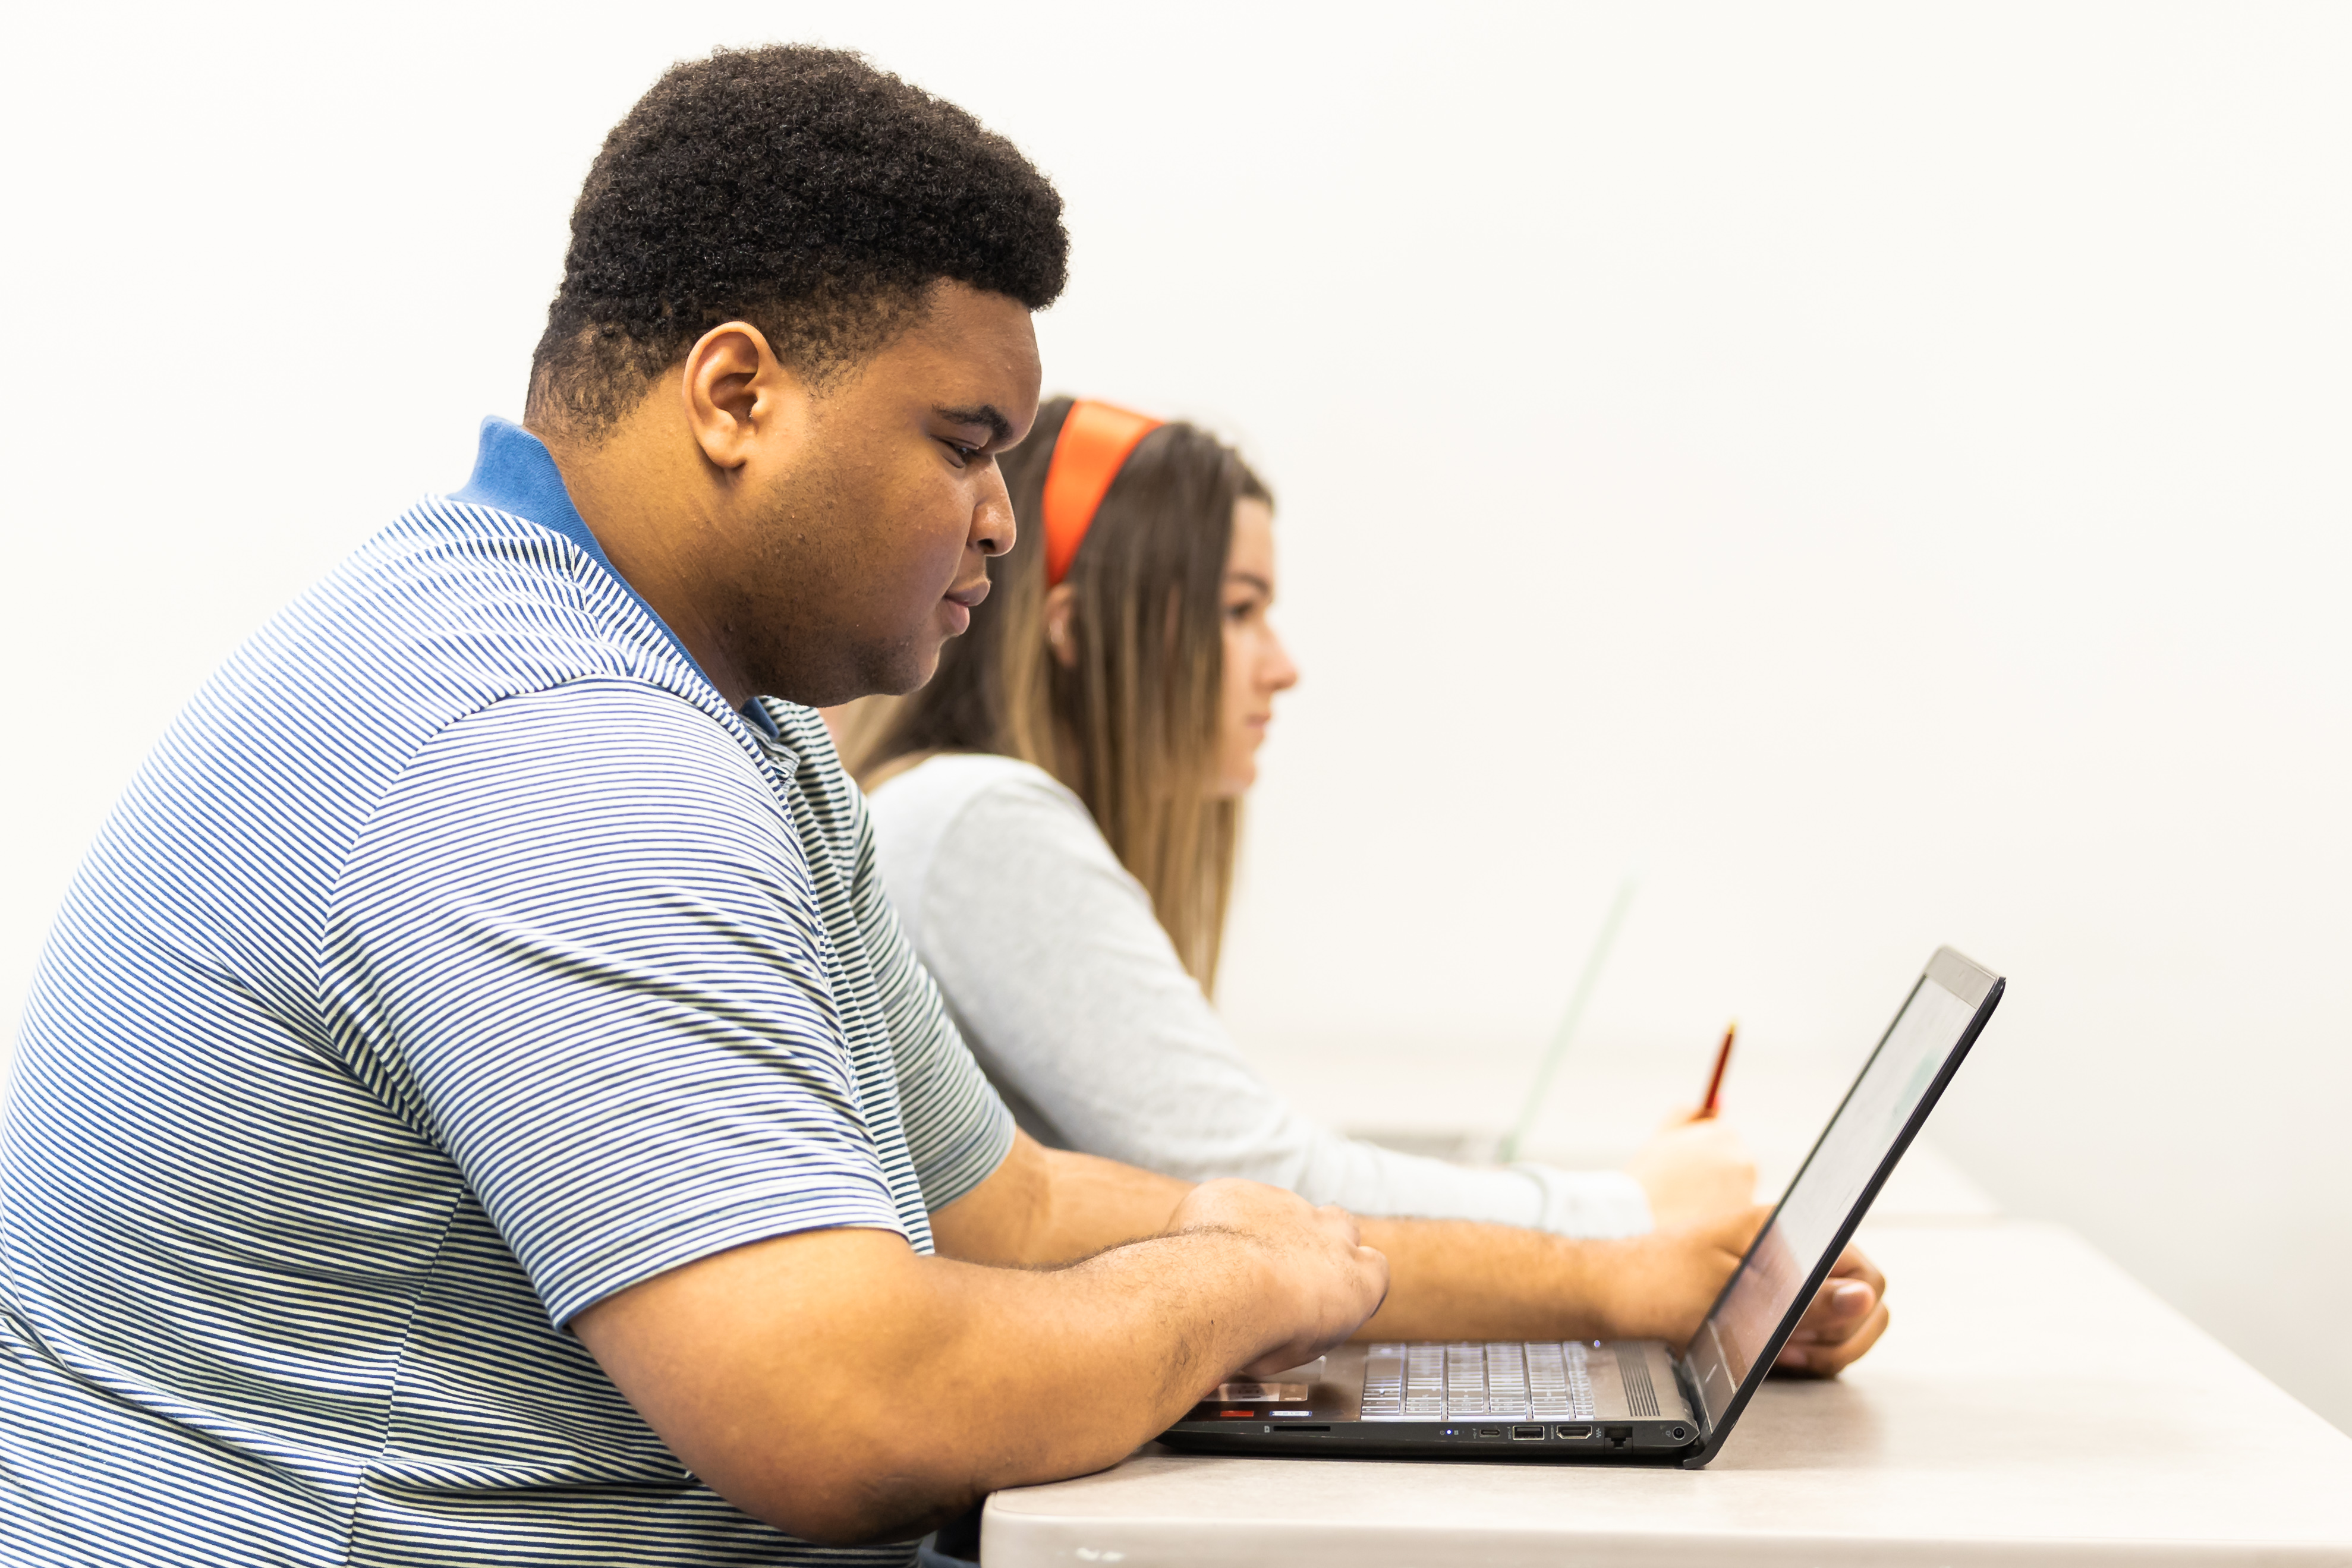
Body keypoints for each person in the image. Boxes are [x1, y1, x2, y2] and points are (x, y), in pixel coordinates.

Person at [0, 46, 1887, 1568]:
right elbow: (845, 1408)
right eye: (964, 444)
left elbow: (1005, 1205)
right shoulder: (544, 743)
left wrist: (1557, 1277)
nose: (1000, 514)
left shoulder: (725, 731)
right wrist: (1221, 1295)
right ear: (735, 393)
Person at [835, 398, 1755, 1236]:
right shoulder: (975, 821)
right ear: (1074, 629)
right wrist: (1638, 1210)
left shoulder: (945, 810)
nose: (1281, 666)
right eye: (1239, 611)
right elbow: (1260, 1181)